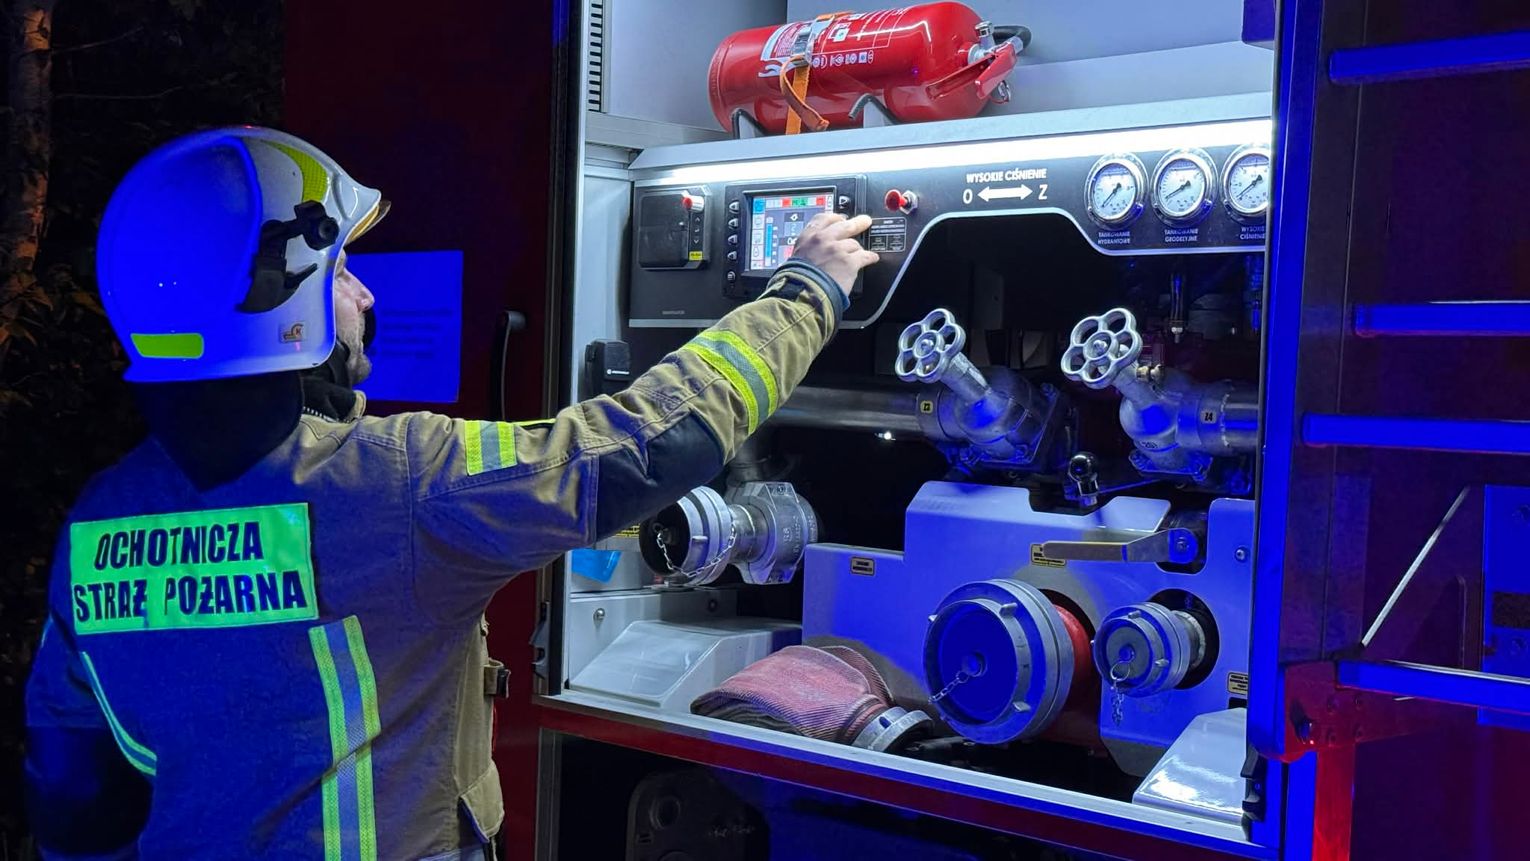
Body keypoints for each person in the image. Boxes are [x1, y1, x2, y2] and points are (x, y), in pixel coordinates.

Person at [22, 127, 877, 860]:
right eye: (341, 270)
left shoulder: (99, 519)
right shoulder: (396, 480)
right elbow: (646, 445)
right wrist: (806, 291)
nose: (365, 294)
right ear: (281, 305)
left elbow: (73, 794)